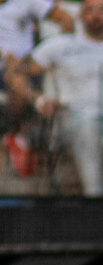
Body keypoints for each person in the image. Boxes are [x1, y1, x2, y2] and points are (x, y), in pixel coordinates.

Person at [5, 0, 103, 196]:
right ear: (80, 15)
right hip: (71, 119)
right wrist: (39, 100)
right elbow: (15, 74)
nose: (96, 15)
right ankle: (95, 196)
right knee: (87, 126)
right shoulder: (61, 45)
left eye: (102, 10)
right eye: (90, 10)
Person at [1, 0, 74, 179]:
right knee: (13, 71)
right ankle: (23, 130)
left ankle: (17, 137)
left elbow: (66, 20)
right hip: (7, 65)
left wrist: (60, 51)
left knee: (17, 73)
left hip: (28, 67)